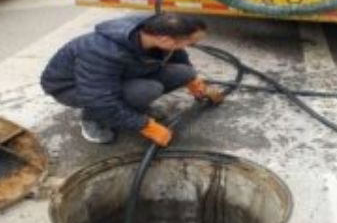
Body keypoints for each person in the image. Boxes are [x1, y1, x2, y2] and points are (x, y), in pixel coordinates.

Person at [40, 13, 224, 145]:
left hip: (114, 75)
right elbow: (99, 98)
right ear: (167, 40)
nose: (192, 46)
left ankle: (128, 109)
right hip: (71, 87)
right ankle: (92, 118)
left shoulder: (152, 30)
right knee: (146, 90)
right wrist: (145, 126)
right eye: (191, 43)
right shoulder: (102, 51)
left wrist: (195, 82)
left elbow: (177, 54)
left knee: (184, 72)